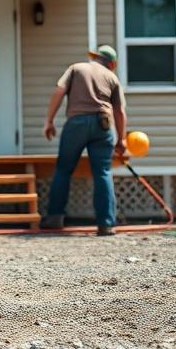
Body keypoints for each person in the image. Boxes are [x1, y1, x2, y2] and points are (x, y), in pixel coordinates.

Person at [40, 44, 127, 236]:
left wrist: (49, 121)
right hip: (103, 124)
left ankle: (55, 218)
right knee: (103, 172)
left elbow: (59, 91)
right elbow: (119, 111)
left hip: (76, 124)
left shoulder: (76, 68)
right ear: (112, 64)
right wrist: (121, 140)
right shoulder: (112, 77)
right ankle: (106, 224)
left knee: (63, 169)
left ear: (95, 57)